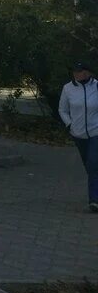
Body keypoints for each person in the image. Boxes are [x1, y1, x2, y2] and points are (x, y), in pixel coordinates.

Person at [58, 61, 98, 212]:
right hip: (78, 134)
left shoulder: (96, 86)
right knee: (89, 166)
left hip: (96, 133)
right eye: (74, 71)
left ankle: (94, 200)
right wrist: (70, 124)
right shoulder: (67, 89)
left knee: (93, 163)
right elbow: (62, 110)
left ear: (87, 72)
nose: (76, 74)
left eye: (79, 71)